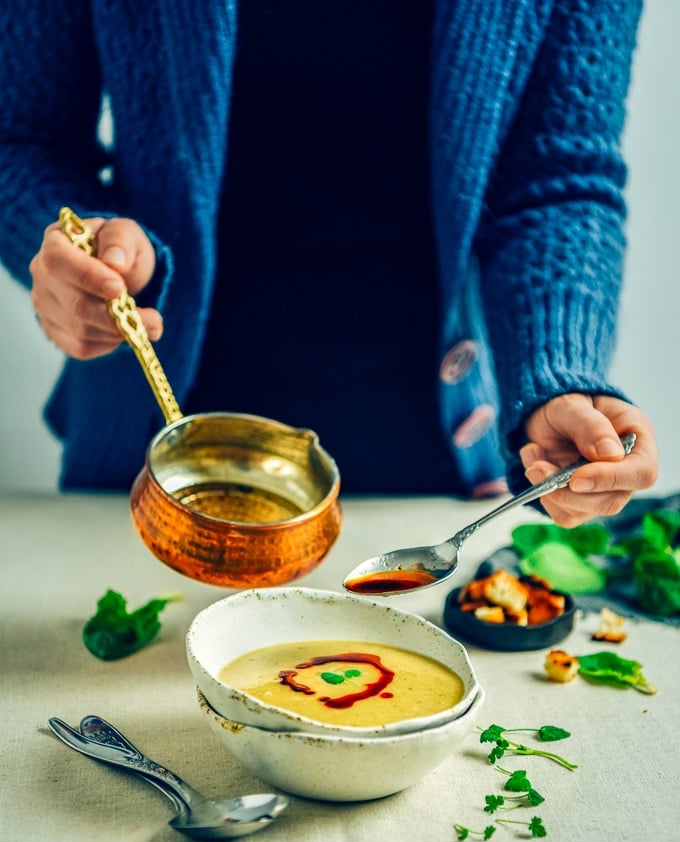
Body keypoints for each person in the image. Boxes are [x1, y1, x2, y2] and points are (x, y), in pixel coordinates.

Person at [0, 1, 658, 526]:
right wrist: (69, 244)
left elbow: (561, 178)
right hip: (146, 476)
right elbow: (23, 139)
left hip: (437, 481)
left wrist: (556, 373)